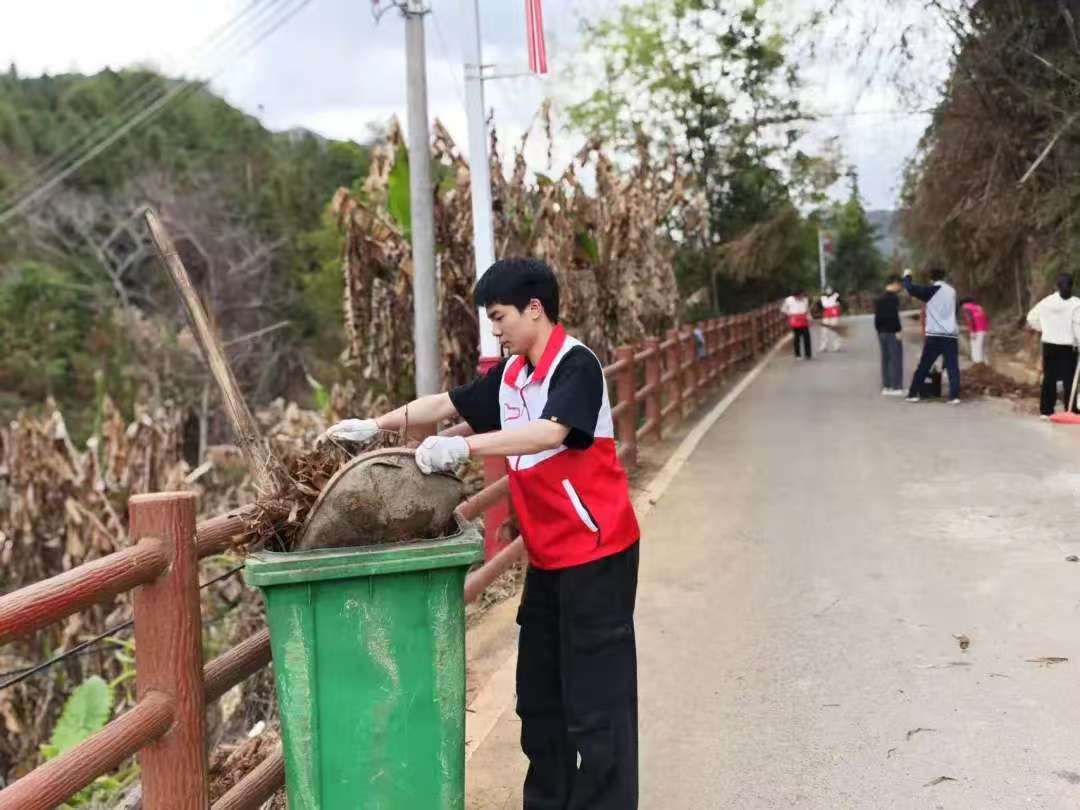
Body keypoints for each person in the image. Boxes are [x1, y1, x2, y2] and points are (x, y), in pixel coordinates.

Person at [324, 258, 641, 809]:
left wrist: (463, 446)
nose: (495, 331)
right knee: (539, 699)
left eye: (499, 317)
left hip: (597, 554)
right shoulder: (512, 376)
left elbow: (550, 433)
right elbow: (446, 402)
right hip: (548, 560)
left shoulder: (576, 365)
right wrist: (375, 424)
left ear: (534, 309)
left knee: (597, 704)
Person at [902, 267, 961, 404]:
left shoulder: (932, 290)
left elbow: (910, 289)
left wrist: (907, 276)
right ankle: (954, 396)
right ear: (944, 277)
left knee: (924, 366)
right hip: (950, 334)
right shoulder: (952, 291)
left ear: (931, 279)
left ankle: (913, 394)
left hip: (935, 335)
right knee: (952, 366)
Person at [1026, 273, 1080, 420]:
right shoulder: (1076, 303)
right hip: (1068, 346)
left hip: (1050, 345)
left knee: (1049, 377)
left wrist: (1043, 329)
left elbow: (1031, 317)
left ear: (1057, 286)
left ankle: (1046, 411)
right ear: (1072, 286)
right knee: (1069, 378)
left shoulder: (1047, 302)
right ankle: (1071, 410)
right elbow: (1078, 326)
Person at [875, 275, 905, 395]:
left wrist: (879, 330)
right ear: (895, 283)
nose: (900, 288)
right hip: (892, 332)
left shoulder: (879, 298)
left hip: (882, 332)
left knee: (886, 358)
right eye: (900, 285)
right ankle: (896, 386)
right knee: (895, 358)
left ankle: (886, 386)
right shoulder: (893, 299)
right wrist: (898, 330)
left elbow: (877, 318)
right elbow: (894, 316)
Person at [781, 289, 812, 360]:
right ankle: (797, 354)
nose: (802, 297)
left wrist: (809, 318)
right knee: (796, 338)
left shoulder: (805, 300)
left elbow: (807, 310)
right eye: (800, 295)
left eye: (802, 295)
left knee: (807, 337)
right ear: (796, 296)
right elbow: (783, 309)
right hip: (795, 319)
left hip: (803, 318)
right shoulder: (789, 300)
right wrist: (790, 314)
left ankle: (808, 354)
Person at [959, 296, 990, 364]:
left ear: (963, 303)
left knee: (976, 350)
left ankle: (977, 366)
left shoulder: (966, 307)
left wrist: (972, 331)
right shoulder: (979, 307)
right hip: (985, 331)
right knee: (984, 350)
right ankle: (987, 366)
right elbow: (987, 318)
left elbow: (970, 319)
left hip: (977, 331)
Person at [818, 287, 842, 352]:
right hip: (826, 315)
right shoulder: (822, 297)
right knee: (824, 331)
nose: (828, 291)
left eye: (830, 289)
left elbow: (840, 303)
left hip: (834, 315)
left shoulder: (836, 296)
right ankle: (823, 346)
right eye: (827, 290)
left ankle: (837, 346)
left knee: (835, 330)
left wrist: (837, 307)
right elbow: (820, 306)